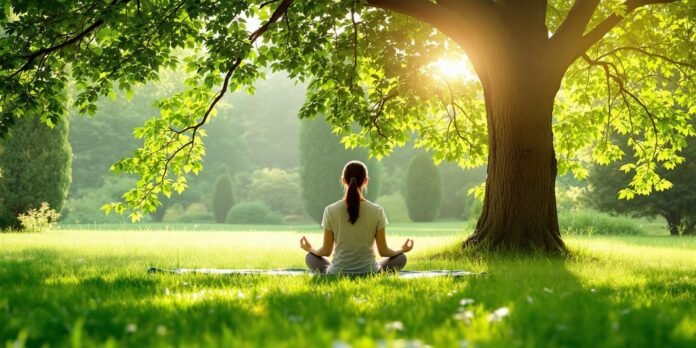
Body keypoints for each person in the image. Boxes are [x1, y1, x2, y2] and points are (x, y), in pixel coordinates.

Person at [299, 160, 414, 274]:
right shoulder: (377, 211)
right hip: (370, 272)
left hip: (337, 272)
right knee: (401, 258)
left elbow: (326, 251)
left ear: (343, 180)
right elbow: (384, 251)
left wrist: (309, 248)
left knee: (310, 257)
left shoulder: (330, 210)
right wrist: (402, 249)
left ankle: (332, 270)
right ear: (365, 181)